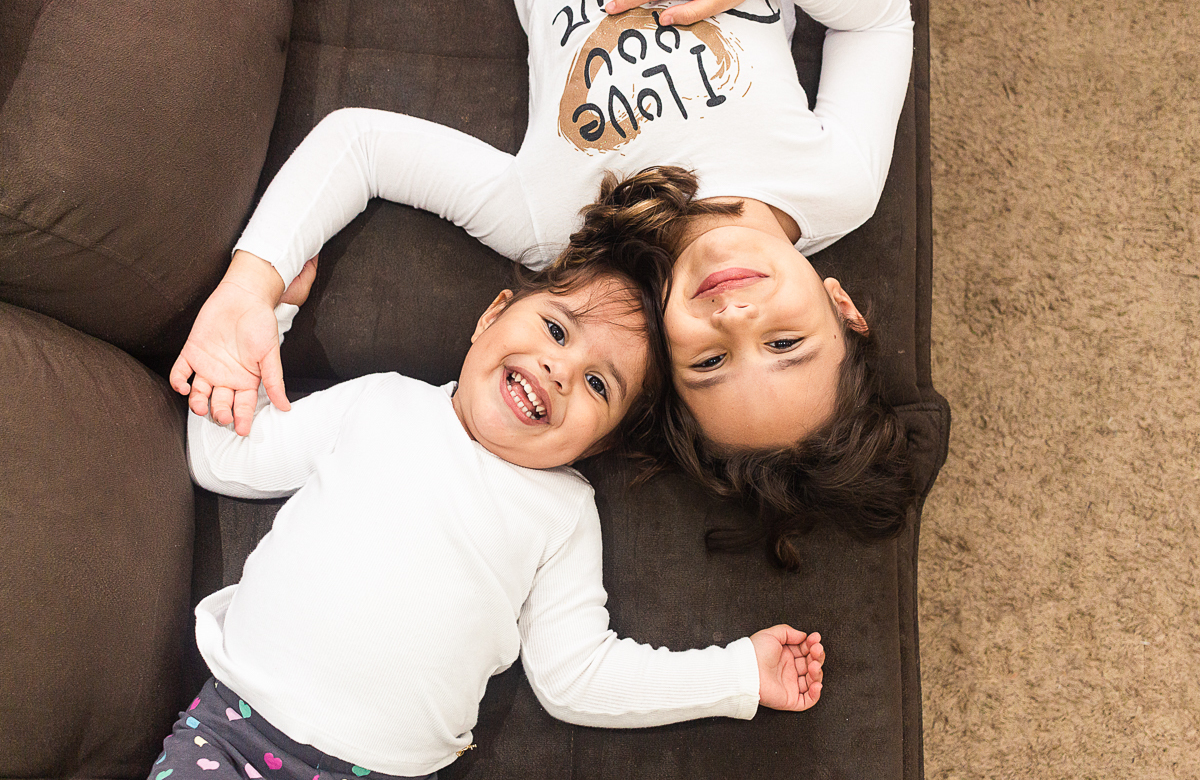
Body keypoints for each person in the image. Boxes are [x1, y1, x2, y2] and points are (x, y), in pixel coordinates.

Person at [170, 0, 918, 564]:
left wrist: (250, 284)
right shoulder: (837, 184)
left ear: (663, 353)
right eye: (787, 344)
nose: (737, 320)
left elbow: (362, 146)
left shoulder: (553, 226)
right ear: (843, 307)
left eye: (712, 360)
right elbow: (880, 17)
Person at [150, 183, 824, 780]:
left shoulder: (562, 513)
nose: (560, 370)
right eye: (557, 329)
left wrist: (737, 674)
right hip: (232, 734)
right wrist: (266, 316)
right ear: (491, 316)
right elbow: (223, 460)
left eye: (597, 384)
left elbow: (575, 678)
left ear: (603, 441)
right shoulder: (381, 404)